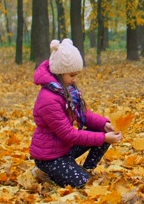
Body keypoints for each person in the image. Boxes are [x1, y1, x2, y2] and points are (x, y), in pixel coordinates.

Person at [29, 39, 123, 188]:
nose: (75, 79)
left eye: (76, 75)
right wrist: (103, 138)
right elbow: (68, 134)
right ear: (59, 72)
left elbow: (84, 115)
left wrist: (104, 125)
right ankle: (46, 171)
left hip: (65, 148)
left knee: (101, 133)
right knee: (86, 185)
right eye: (72, 75)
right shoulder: (49, 99)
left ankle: (85, 170)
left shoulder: (67, 90)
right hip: (50, 157)